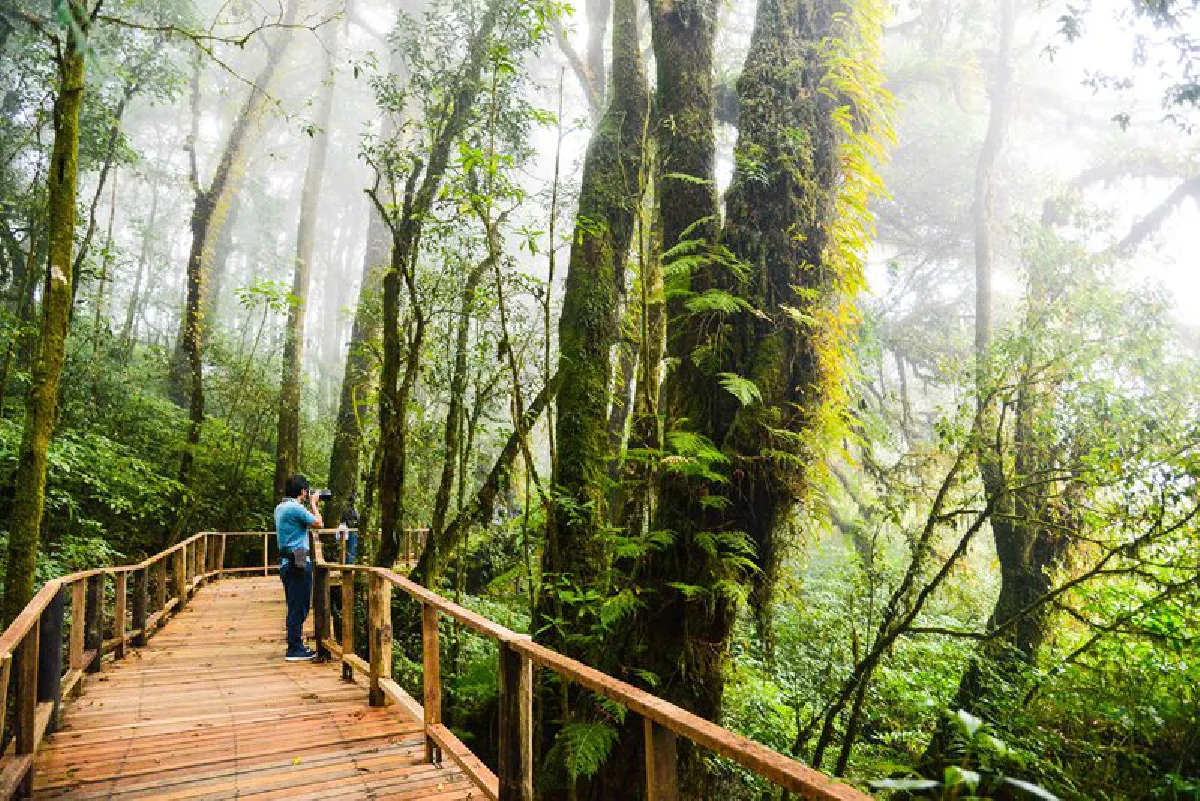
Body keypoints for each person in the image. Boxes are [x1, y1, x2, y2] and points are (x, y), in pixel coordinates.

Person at [275, 474, 323, 661]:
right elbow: (319, 523)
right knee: (299, 606)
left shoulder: (280, 507)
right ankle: (294, 648)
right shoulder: (295, 508)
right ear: (303, 491)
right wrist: (314, 503)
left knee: (295, 604)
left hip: (288, 562)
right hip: (298, 563)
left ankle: (296, 644)